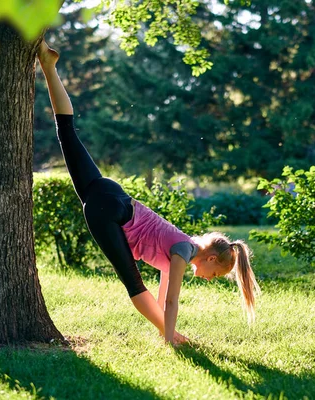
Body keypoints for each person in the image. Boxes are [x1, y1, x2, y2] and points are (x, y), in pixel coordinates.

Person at [36, 40, 260, 346]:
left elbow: (163, 296)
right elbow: (171, 304)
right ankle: (173, 341)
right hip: (109, 212)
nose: (211, 279)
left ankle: (48, 66)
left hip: (112, 194)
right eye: (216, 274)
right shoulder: (183, 254)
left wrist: (163, 328)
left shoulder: (182, 246)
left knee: (67, 132)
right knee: (133, 284)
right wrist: (171, 337)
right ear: (209, 257)